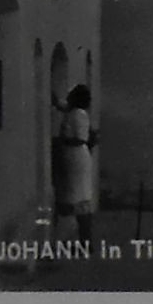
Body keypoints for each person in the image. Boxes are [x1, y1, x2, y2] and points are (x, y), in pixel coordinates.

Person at [53, 84, 96, 247]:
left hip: (74, 155)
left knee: (75, 198)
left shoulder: (77, 114)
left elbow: (78, 138)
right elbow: (62, 104)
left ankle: (83, 240)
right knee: (81, 199)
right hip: (78, 156)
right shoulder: (76, 112)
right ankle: (85, 240)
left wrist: (60, 141)